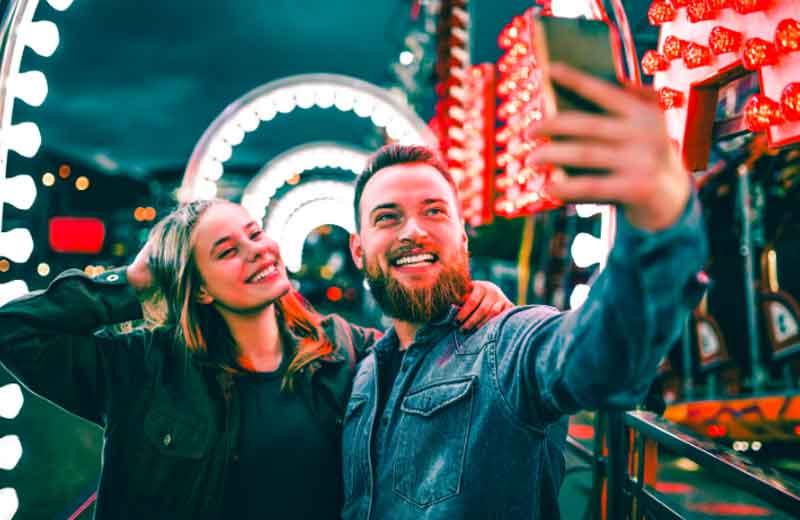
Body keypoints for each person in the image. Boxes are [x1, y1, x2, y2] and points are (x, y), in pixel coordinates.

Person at [342, 62, 708, 519]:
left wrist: (658, 223)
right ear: (358, 250)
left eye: (434, 211)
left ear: (463, 236)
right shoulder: (360, 372)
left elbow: (600, 356)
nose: (413, 231)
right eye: (387, 217)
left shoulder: (507, 344)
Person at [0, 199, 512, 520]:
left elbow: (436, 361)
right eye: (226, 251)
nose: (257, 251)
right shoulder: (143, 370)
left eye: (254, 233)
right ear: (198, 289)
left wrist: (469, 300)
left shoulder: (347, 351)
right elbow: (14, 330)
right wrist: (133, 284)